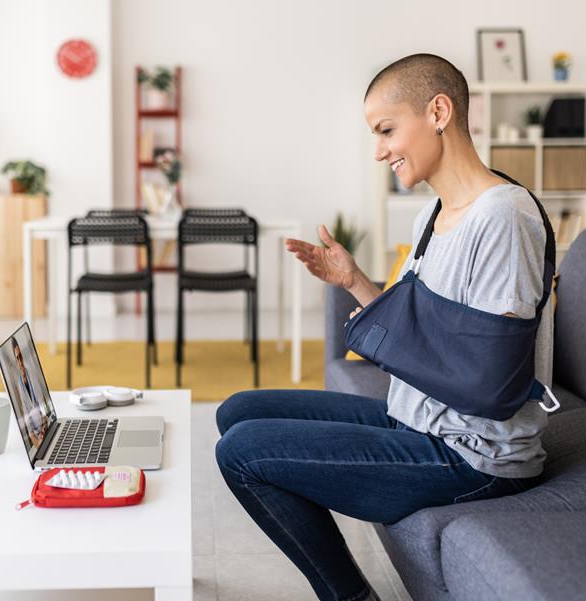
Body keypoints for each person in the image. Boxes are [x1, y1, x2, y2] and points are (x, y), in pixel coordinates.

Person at [214, 53, 554, 601]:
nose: (378, 151)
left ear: (438, 112)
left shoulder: (502, 217)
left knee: (242, 450)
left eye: (387, 130)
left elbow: (488, 379)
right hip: (416, 419)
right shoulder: (432, 216)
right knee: (237, 411)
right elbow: (417, 336)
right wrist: (355, 282)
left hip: (473, 454)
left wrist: (388, 333)